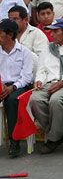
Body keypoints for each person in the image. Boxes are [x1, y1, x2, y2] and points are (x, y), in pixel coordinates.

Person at [30, 18, 63, 154]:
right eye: (51, 31)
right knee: (35, 99)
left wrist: (62, 83)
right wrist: (39, 80)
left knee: (55, 100)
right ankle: (61, 129)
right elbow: (42, 69)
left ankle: (53, 139)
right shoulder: (48, 48)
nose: (51, 34)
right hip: (49, 82)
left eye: (55, 31)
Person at [0, 19, 34, 158]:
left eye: (1, 34)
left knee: (12, 101)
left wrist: (12, 87)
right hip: (2, 85)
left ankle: (14, 141)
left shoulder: (24, 52)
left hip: (19, 85)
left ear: (9, 35)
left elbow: (26, 77)